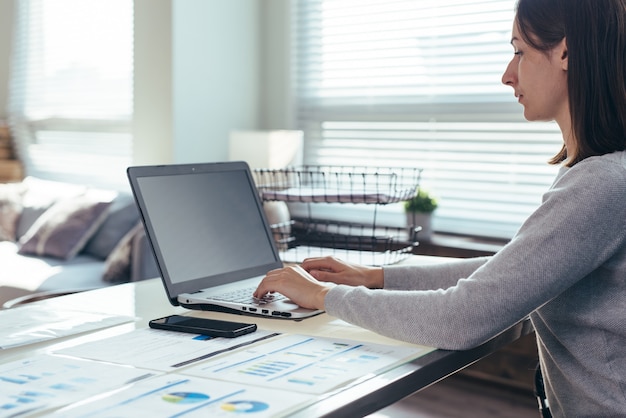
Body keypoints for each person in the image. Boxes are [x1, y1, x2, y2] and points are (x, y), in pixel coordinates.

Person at [254, 0, 626, 415]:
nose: (508, 75)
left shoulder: (602, 184)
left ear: (566, 52)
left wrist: (324, 295)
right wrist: (375, 277)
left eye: (519, 51)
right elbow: (511, 272)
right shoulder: (605, 176)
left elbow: (463, 317)